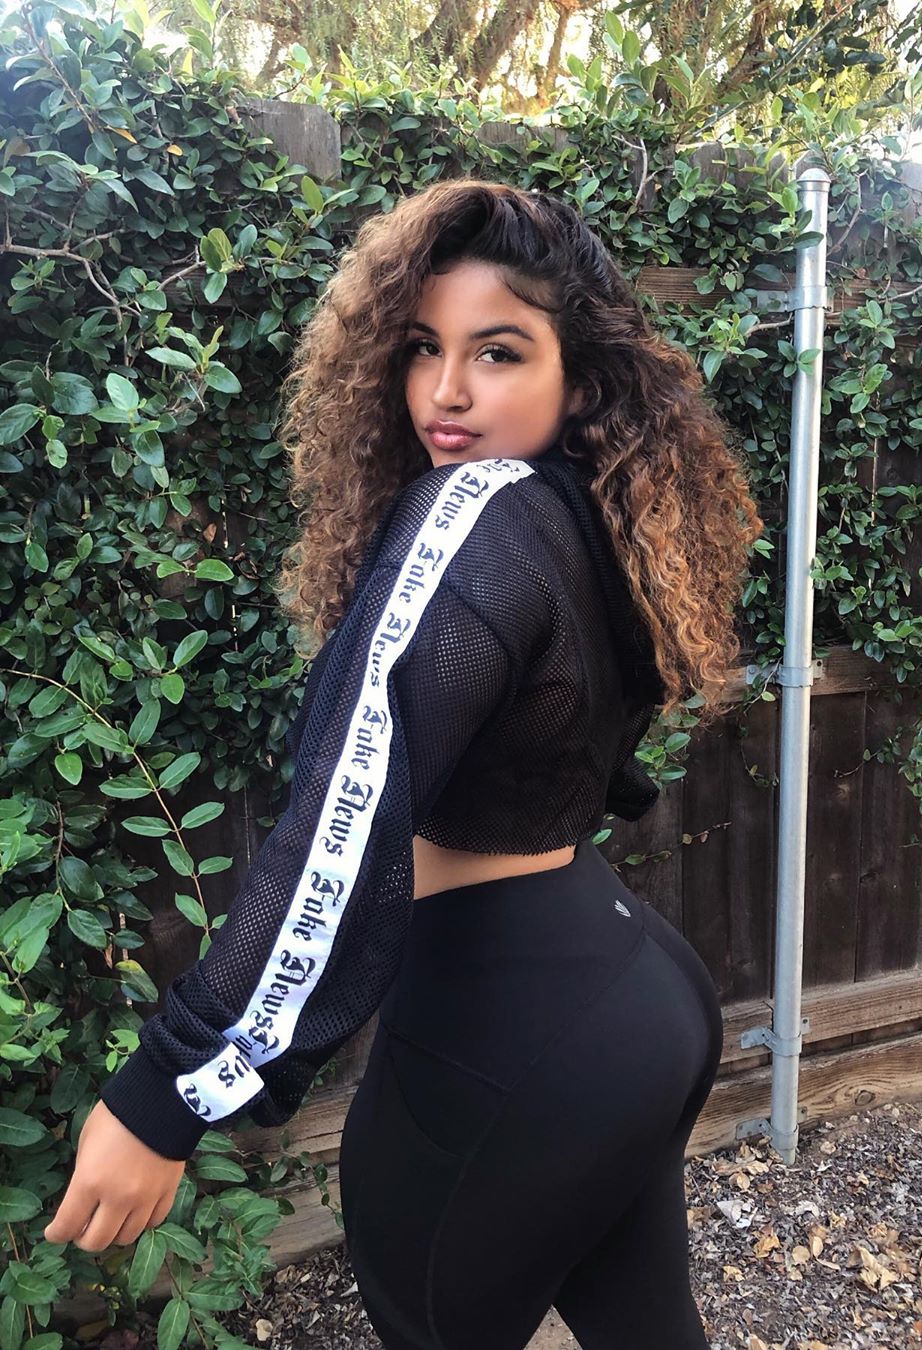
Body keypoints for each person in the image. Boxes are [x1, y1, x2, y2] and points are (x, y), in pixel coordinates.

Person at [44, 179, 764, 1349]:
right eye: (423, 346)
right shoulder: (589, 514)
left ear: (577, 375)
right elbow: (582, 749)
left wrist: (170, 1091)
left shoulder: (477, 511)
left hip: (508, 1021)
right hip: (627, 989)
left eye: (498, 352)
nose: (445, 391)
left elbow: (346, 814)